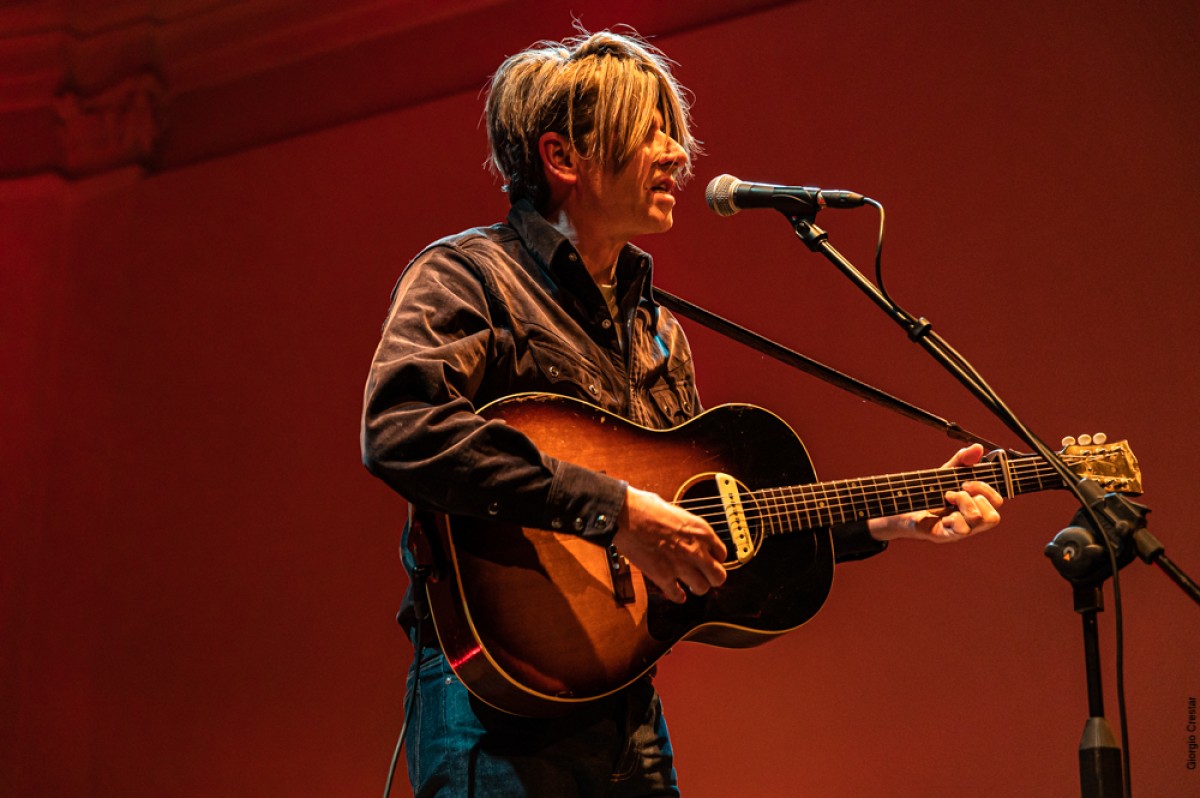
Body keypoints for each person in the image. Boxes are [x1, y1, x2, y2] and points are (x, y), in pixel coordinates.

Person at [361, 28, 1002, 797]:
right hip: (492, 714)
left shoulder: (657, 331)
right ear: (563, 157)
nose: (678, 154)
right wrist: (616, 509)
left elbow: (714, 523)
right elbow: (403, 428)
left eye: (674, 132)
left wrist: (885, 521)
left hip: (628, 714)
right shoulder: (470, 277)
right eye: (650, 132)